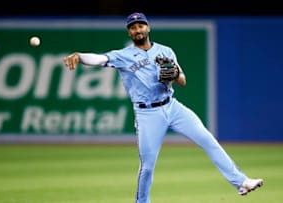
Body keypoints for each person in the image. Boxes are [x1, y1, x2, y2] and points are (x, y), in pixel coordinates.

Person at [63, 12, 263, 203]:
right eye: (133, 27)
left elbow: (183, 80)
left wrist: (175, 74)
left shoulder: (165, 51)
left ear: (148, 27)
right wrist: (80, 56)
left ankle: (241, 182)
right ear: (129, 32)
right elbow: (101, 59)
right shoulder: (123, 55)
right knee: (148, 166)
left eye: (140, 25)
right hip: (147, 113)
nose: (137, 29)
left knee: (208, 140)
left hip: (172, 106)